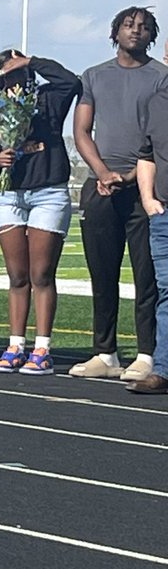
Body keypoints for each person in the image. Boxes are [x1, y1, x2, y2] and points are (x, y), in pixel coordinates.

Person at [71, 7, 163, 380]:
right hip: (102, 187)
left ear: (152, 35)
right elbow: (82, 130)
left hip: (146, 188)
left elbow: (160, 136)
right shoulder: (94, 76)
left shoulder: (162, 77)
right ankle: (105, 353)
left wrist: (131, 176)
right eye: (129, 25)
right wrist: (103, 172)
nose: (136, 31)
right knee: (102, 273)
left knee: (148, 276)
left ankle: (147, 354)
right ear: (116, 31)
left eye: (144, 27)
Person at [0, 50, 81, 375]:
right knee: (17, 276)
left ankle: (42, 348)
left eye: (17, 71)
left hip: (47, 194)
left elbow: (71, 82)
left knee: (41, 275)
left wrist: (31, 62)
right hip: (7, 195)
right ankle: (14, 346)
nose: (12, 77)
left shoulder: (47, 101)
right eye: (5, 73)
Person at [132, 63, 168, 394]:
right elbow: (147, 155)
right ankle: (163, 369)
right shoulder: (156, 102)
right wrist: (147, 198)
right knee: (166, 292)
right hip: (164, 214)